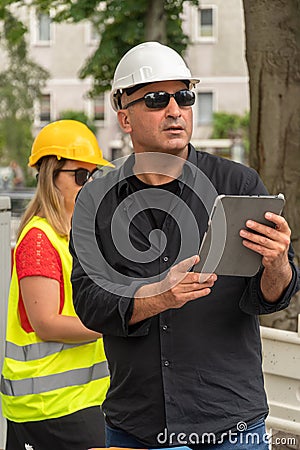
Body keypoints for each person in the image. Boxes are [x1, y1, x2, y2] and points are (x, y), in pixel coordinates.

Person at [70, 42, 299, 450]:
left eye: (184, 96)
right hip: (138, 426)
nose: (175, 109)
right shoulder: (95, 200)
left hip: (231, 424)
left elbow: (270, 297)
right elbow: (90, 303)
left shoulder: (239, 185)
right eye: (157, 99)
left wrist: (277, 264)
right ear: (124, 116)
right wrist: (157, 297)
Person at [1, 120, 113, 450]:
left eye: (94, 175)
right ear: (52, 176)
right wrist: (116, 321)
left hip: (76, 400)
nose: (90, 184)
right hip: (49, 405)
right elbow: (46, 323)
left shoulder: (75, 235)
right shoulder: (39, 240)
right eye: (81, 176)